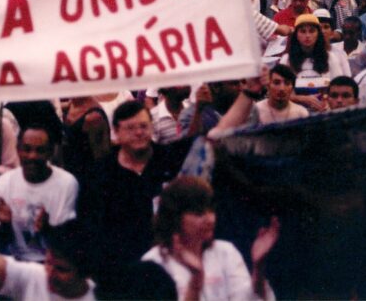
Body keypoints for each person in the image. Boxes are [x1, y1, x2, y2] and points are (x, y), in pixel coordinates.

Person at [77, 101, 192, 274]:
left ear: (152, 128)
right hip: (122, 269)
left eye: (144, 126)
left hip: (171, 263)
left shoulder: (171, 160)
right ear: (116, 132)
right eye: (130, 128)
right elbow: (91, 229)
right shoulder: (99, 174)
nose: (138, 133)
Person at [142, 176, 279, 301]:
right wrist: (195, 281)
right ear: (174, 217)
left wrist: (258, 268)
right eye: (199, 213)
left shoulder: (225, 252)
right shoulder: (153, 263)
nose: (210, 219)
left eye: (211, 210)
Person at [0, 215, 96, 300]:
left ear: (86, 273)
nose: (50, 273)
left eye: (61, 269)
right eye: (48, 263)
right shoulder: (34, 276)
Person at [0, 125, 79, 262]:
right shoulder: (3, 184)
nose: (32, 156)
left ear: (51, 152)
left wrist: (47, 230)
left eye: (40, 150)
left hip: (51, 263)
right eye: (27, 149)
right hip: (15, 262)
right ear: (18, 150)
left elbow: (68, 245)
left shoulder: (66, 183)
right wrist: (5, 225)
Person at [280, 14, 351, 111]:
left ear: (318, 34)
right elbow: (279, 93)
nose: (307, 36)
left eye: (312, 31)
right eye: (303, 31)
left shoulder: (330, 58)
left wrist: (326, 102)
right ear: (296, 35)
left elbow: (340, 88)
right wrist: (301, 99)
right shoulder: (286, 60)